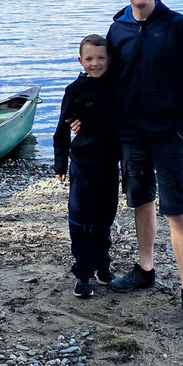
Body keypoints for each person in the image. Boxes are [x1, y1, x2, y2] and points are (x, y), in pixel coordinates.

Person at [106, 0, 183, 324]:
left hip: (169, 135)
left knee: (177, 209)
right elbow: (104, 81)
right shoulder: (117, 29)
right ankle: (145, 271)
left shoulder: (176, 25)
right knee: (141, 201)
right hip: (131, 136)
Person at [53, 34, 120, 298]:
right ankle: (82, 273)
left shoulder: (116, 86)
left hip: (109, 166)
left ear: (110, 59)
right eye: (90, 59)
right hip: (82, 165)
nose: (96, 63)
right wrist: (60, 163)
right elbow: (61, 130)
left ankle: (103, 266)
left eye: (101, 58)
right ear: (81, 61)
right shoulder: (74, 91)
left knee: (105, 219)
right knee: (80, 220)